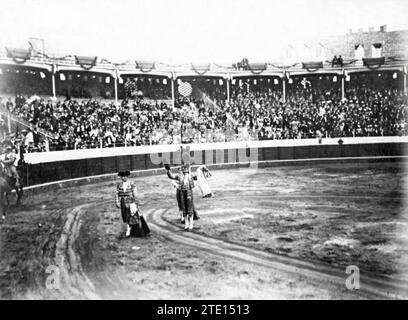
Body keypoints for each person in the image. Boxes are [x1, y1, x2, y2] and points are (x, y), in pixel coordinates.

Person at [115, 170, 150, 237]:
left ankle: (130, 230)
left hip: (131, 202)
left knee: (133, 216)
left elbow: (135, 194)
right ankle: (130, 229)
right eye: (122, 176)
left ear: (127, 176)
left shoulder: (132, 183)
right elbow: (117, 194)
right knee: (125, 216)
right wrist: (117, 202)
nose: (123, 178)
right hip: (123, 202)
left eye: (124, 176)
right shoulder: (119, 185)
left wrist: (136, 202)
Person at [165, 164, 198, 230]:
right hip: (182, 193)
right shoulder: (179, 176)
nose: (184, 170)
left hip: (189, 192)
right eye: (183, 169)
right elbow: (171, 177)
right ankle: (186, 224)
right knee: (184, 208)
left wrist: (200, 174)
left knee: (190, 209)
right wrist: (168, 170)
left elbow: (197, 177)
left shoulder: (190, 175)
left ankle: (191, 224)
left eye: (185, 169)